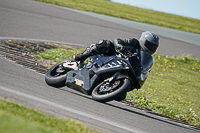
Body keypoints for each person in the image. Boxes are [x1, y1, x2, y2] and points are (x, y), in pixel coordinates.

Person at [74, 31, 159, 62]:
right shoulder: (134, 42)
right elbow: (117, 40)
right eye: (150, 45)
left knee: (121, 96)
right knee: (105, 43)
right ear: (144, 41)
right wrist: (120, 47)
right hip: (112, 56)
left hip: (123, 65)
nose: (151, 48)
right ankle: (81, 56)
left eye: (154, 47)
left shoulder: (145, 57)